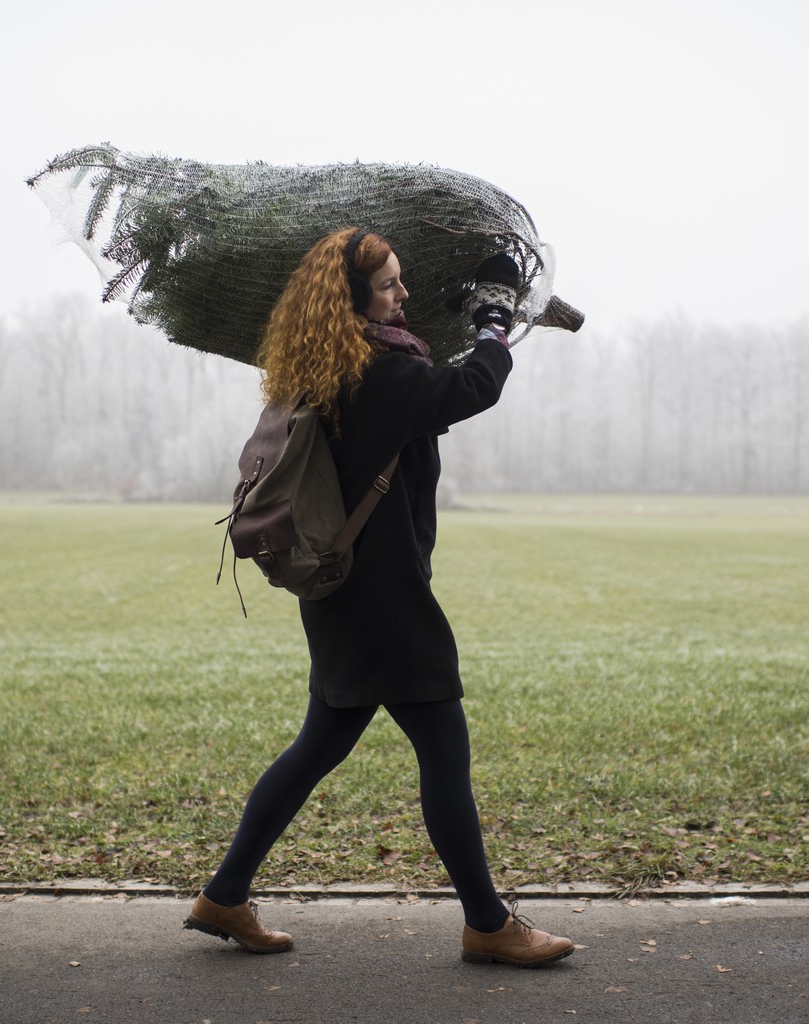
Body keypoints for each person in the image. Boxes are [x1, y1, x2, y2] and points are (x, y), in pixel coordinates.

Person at [184, 227, 573, 968]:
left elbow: (434, 404)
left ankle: (224, 895)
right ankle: (488, 924)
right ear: (352, 301)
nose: (405, 295)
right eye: (391, 284)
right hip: (385, 596)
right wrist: (492, 316)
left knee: (317, 745)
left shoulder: (328, 367)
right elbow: (473, 388)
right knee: (443, 747)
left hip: (339, 591)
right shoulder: (379, 376)